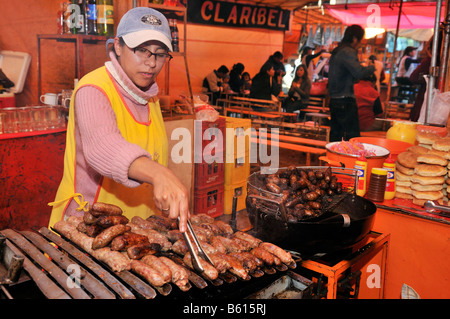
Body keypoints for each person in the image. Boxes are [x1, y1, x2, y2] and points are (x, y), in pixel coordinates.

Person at [48, 7, 189, 232]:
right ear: (118, 46)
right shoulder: (93, 89)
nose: (151, 63)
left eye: (160, 53)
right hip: (89, 227)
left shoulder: (148, 95)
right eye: (142, 50)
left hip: (137, 230)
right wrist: (158, 173)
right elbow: (103, 146)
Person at [328, 24, 375, 142]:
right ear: (354, 39)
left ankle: (333, 159)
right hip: (345, 100)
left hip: (334, 99)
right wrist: (372, 68)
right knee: (352, 137)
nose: (360, 44)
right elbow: (358, 72)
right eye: (360, 41)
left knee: (336, 136)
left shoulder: (337, 50)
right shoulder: (348, 51)